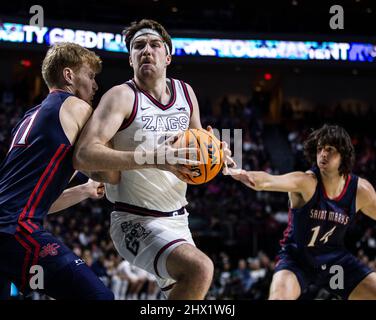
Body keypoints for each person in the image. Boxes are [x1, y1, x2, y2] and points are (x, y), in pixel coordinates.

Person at [74, 19, 233, 299]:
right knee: (200, 269)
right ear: (131, 58)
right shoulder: (120, 96)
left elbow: (199, 148)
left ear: (167, 57)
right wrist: (154, 158)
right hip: (135, 221)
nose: (147, 50)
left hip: (179, 220)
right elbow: (84, 154)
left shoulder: (186, 93)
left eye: (154, 45)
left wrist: (218, 154)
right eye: (138, 46)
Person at [0, 42, 116, 300]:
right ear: (68, 75)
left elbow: (40, 203)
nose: (95, 85)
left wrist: (84, 190)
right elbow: (110, 173)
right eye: (90, 76)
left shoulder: (30, 117)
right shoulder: (76, 107)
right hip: (14, 229)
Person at [226, 124, 376, 299]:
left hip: (334, 260)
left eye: (330, 149)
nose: (323, 154)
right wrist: (244, 173)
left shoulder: (360, 190)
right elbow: (267, 181)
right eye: (320, 148)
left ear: (344, 154)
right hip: (297, 259)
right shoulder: (307, 182)